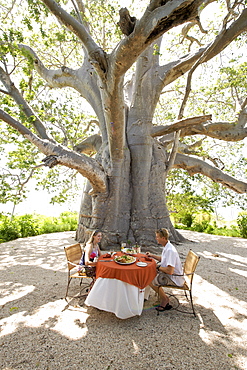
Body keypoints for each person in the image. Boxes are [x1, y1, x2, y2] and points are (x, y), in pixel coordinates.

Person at [146, 228, 184, 312]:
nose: (156, 238)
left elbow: (170, 270)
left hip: (174, 278)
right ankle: (160, 296)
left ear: (163, 238)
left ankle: (165, 299)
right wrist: (152, 255)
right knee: (148, 274)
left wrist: (157, 267)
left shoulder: (170, 250)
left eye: (157, 237)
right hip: (171, 274)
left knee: (149, 279)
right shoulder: (167, 246)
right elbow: (164, 259)